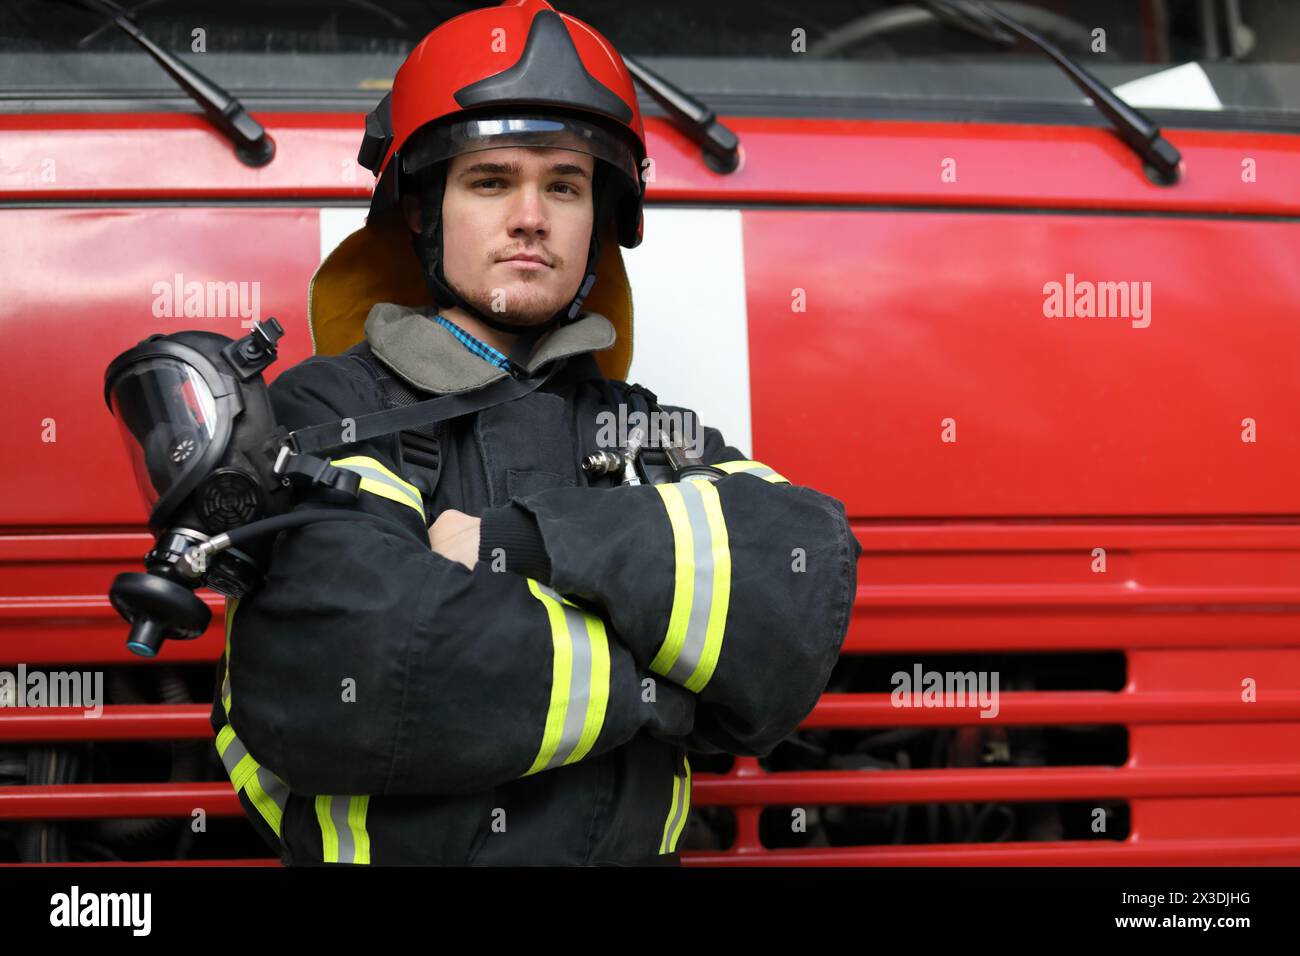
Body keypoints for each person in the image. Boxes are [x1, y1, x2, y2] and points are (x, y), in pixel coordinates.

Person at [209, 0, 861, 866]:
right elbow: (359, 664)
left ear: (601, 218)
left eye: (565, 184)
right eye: (491, 181)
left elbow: (796, 581)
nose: (532, 216)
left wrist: (520, 545)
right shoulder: (325, 411)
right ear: (420, 211)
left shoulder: (640, 423)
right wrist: (660, 693)